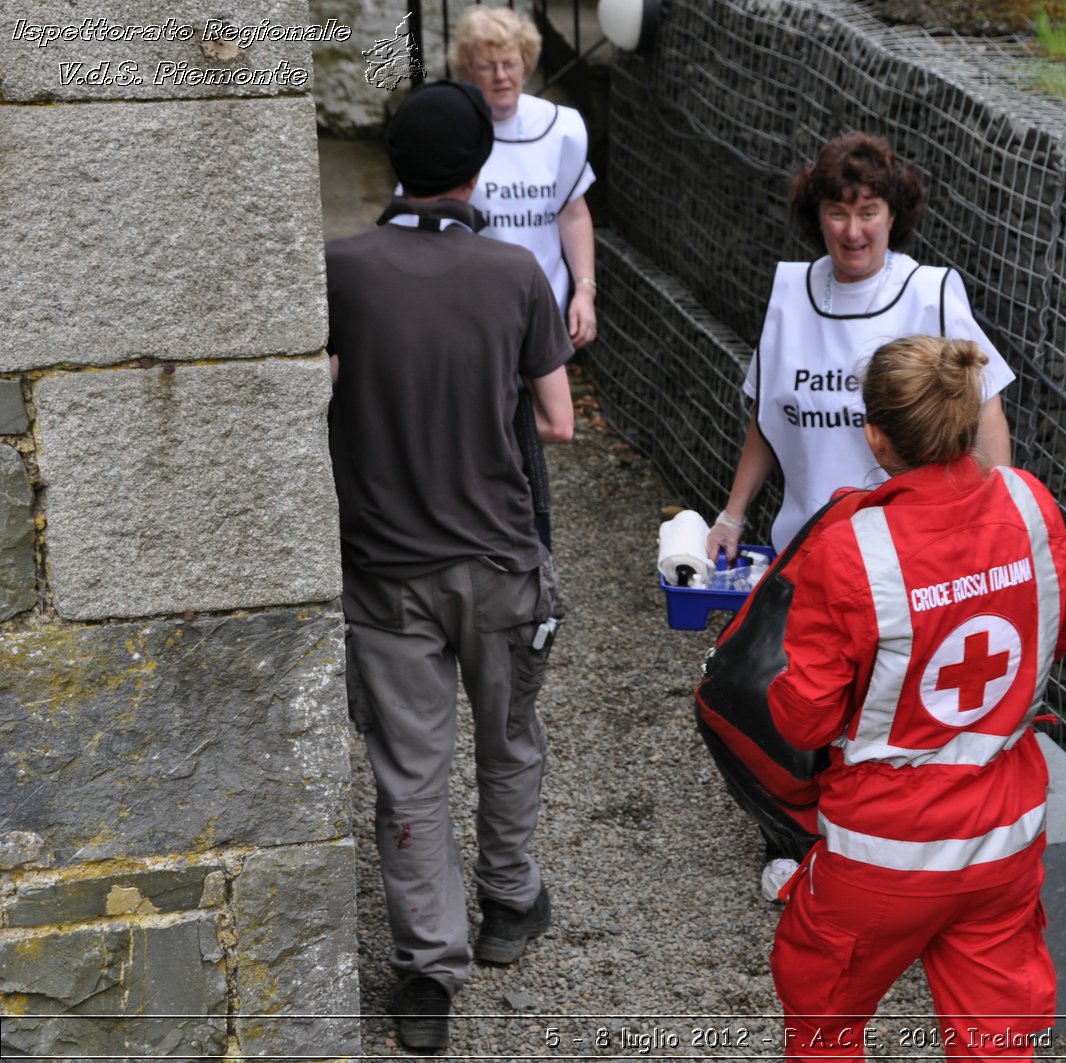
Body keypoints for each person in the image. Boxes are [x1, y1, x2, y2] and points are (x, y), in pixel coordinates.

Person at [324, 81, 575, 1053]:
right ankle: (510, 904)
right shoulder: (515, 274)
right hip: (502, 564)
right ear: (478, 171)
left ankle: (425, 976)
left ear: (393, 166)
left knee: (409, 772)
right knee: (509, 739)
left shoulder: (341, 267)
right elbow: (555, 418)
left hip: (384, 572)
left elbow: (322, 384)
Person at [765, 335, 1066, 1061]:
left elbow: (806, 713)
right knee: (998, 1041)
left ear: (875, 436)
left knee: (823, 1021)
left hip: (884, 850)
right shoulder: (1029, 503)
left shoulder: (850, 547)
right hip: (1003, 836)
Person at [706, 131, 1014, 564]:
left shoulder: (930, 294)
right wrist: (732, 516)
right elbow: (768, 417)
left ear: (892, 216)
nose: (853, 232)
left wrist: (997, 524)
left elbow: (986, 407)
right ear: (817, 217)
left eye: (868, 212)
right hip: (807, 552)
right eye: (838, 212)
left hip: (908, 553)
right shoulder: (790, 294)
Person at [452, 6, 597, 350]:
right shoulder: (450, 129)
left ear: (526, 64)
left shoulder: (561, 128)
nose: (501, 76)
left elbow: (573, 215)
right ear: (470, 70)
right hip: (471, 311)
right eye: (488, 66)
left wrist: (585, 291)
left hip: (543, 305)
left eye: (510, 63)